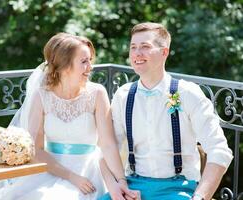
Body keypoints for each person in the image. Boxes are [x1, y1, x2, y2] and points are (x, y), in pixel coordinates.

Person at [0, 33, 135, 200]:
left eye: (90, 60)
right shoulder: (41, 95)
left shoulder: (97, 93)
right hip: (50, 168)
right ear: (65, 66)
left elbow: (108, 144)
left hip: (89, 170)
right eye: (84, 61)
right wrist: (71, 177)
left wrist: (121, 180)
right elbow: (35, 150)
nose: (90, 66)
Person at [99, 22, 233, 200]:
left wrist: (200, 197)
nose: (137, 53)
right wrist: (116, 187)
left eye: (145, 46)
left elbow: (219, 149)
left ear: (164, 52)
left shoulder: (188, 93)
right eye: (133, 47)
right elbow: (108, 149)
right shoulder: (123, 96)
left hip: (178, 188)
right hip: (133, 187)